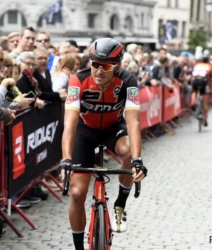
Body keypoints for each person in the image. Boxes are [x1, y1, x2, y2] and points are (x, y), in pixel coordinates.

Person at [59, 38, 147, 250]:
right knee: (78, 193)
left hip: (112, 128)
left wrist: (137, 160)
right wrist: (66, 160)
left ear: (117, 65)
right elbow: (69, 123)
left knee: (127, 152)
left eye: (106, 65)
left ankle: (120, 204)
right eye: (95, 63)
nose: (99, 70)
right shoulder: (77, 80)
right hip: (84, 131)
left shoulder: (129, 81)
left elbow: (133, 122)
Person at [192, 55, 212, 126]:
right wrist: (211, 88)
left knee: (194, 91)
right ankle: (206, 119)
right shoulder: (209, 66)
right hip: (204, 83)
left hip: (195, 81)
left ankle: (193, 102)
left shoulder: (196, 65)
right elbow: (211, 78)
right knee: (205, 103)